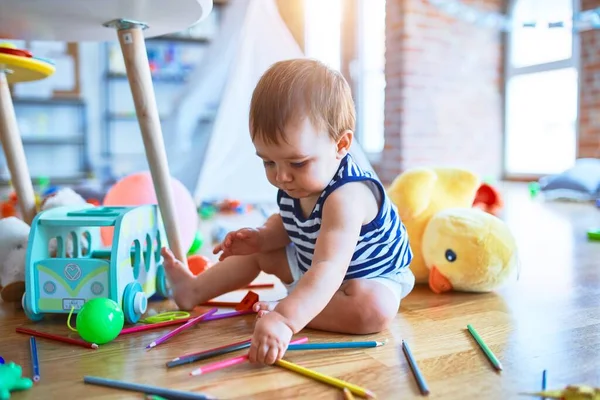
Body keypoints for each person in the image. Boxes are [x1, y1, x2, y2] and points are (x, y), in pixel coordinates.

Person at [161, 58, 415, 366]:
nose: (281, 177)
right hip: (310, 269)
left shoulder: (347, 196)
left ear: (341, 144)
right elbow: (290, 223)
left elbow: (329, 267)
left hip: (364, 277)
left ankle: (288, 308)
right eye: (268, 162)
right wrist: (262, 238)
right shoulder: (296, 179)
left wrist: (284, 319)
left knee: (373, 309)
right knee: (258, 251)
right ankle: (193, 289)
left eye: (297, 163)